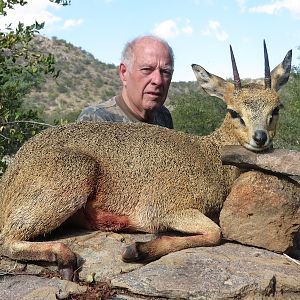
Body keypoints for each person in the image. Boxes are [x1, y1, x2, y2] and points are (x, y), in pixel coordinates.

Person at [77, 35, 174, 129]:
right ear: (124, 73)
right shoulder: (95, 120)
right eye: (147, 69)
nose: (158, 81)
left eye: (166, 72)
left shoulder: (163, 116)